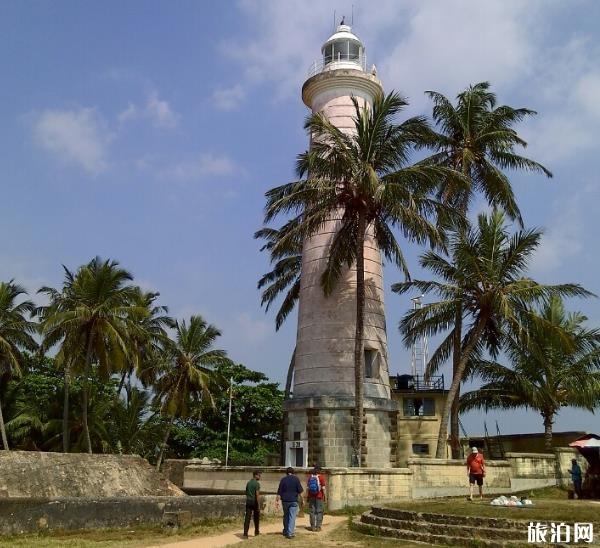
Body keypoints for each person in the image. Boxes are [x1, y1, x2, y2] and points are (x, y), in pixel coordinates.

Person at [276, 467, 304, 539]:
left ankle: (285, 531)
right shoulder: (296, 479)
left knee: (286, 516)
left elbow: (279, 492)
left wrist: (277, 501)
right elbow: (300, 491)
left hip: (285, 500)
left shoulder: (283, 480)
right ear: (293, 472)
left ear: (286, 473)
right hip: (293, 501)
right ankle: (290, 533)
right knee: (292, 517)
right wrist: (302, 500)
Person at [306, 466, 327, 532]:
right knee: (319, 511)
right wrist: (325, 497)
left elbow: (307, 488)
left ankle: (312, 527)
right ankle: (318, 527)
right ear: (319, 471)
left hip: (311, 496)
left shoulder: (310, 477)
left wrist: (307, 497)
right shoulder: (321, 477)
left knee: (312, 511)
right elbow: (323, 489)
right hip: (319, 497)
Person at [243, 470, 261, 538]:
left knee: (247, 518)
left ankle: (245, 533)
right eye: (259, 475)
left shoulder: (248, 483)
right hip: (254, 502)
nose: (260, 476)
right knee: (256, 517)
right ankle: (256, 531)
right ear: (255, 475)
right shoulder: (257, 484)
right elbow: (257, 495)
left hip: (248, 501)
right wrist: (258, 505)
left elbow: (246, 492)